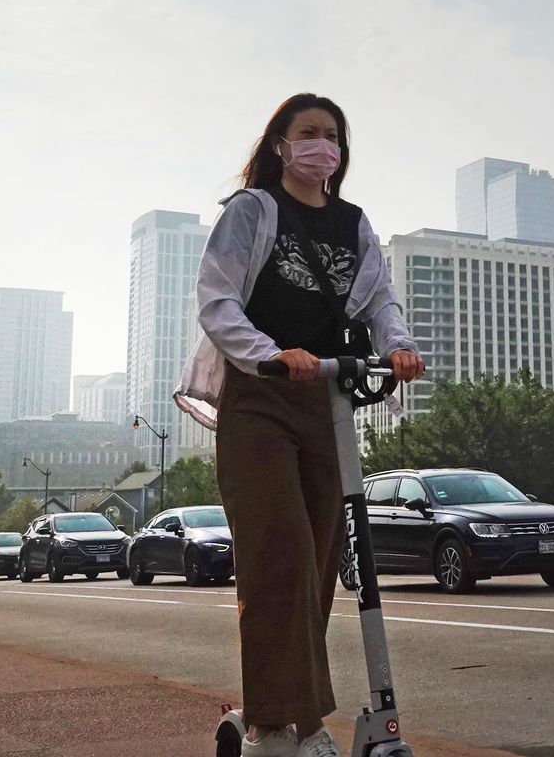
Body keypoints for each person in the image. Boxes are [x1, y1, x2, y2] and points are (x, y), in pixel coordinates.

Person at [187, 93, 424, 757]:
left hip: (327, 400)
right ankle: (274, 724)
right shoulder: (254, 211)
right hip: (261, 397)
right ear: (280, 146)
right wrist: (269, 354)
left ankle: (301, 717)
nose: (322, 145)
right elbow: (217, 294)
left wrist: (398, 346)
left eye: (332, 135)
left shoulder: (353, 222)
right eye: (308, 133)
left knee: (319, 563)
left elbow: (380, 297)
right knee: (278, 555)